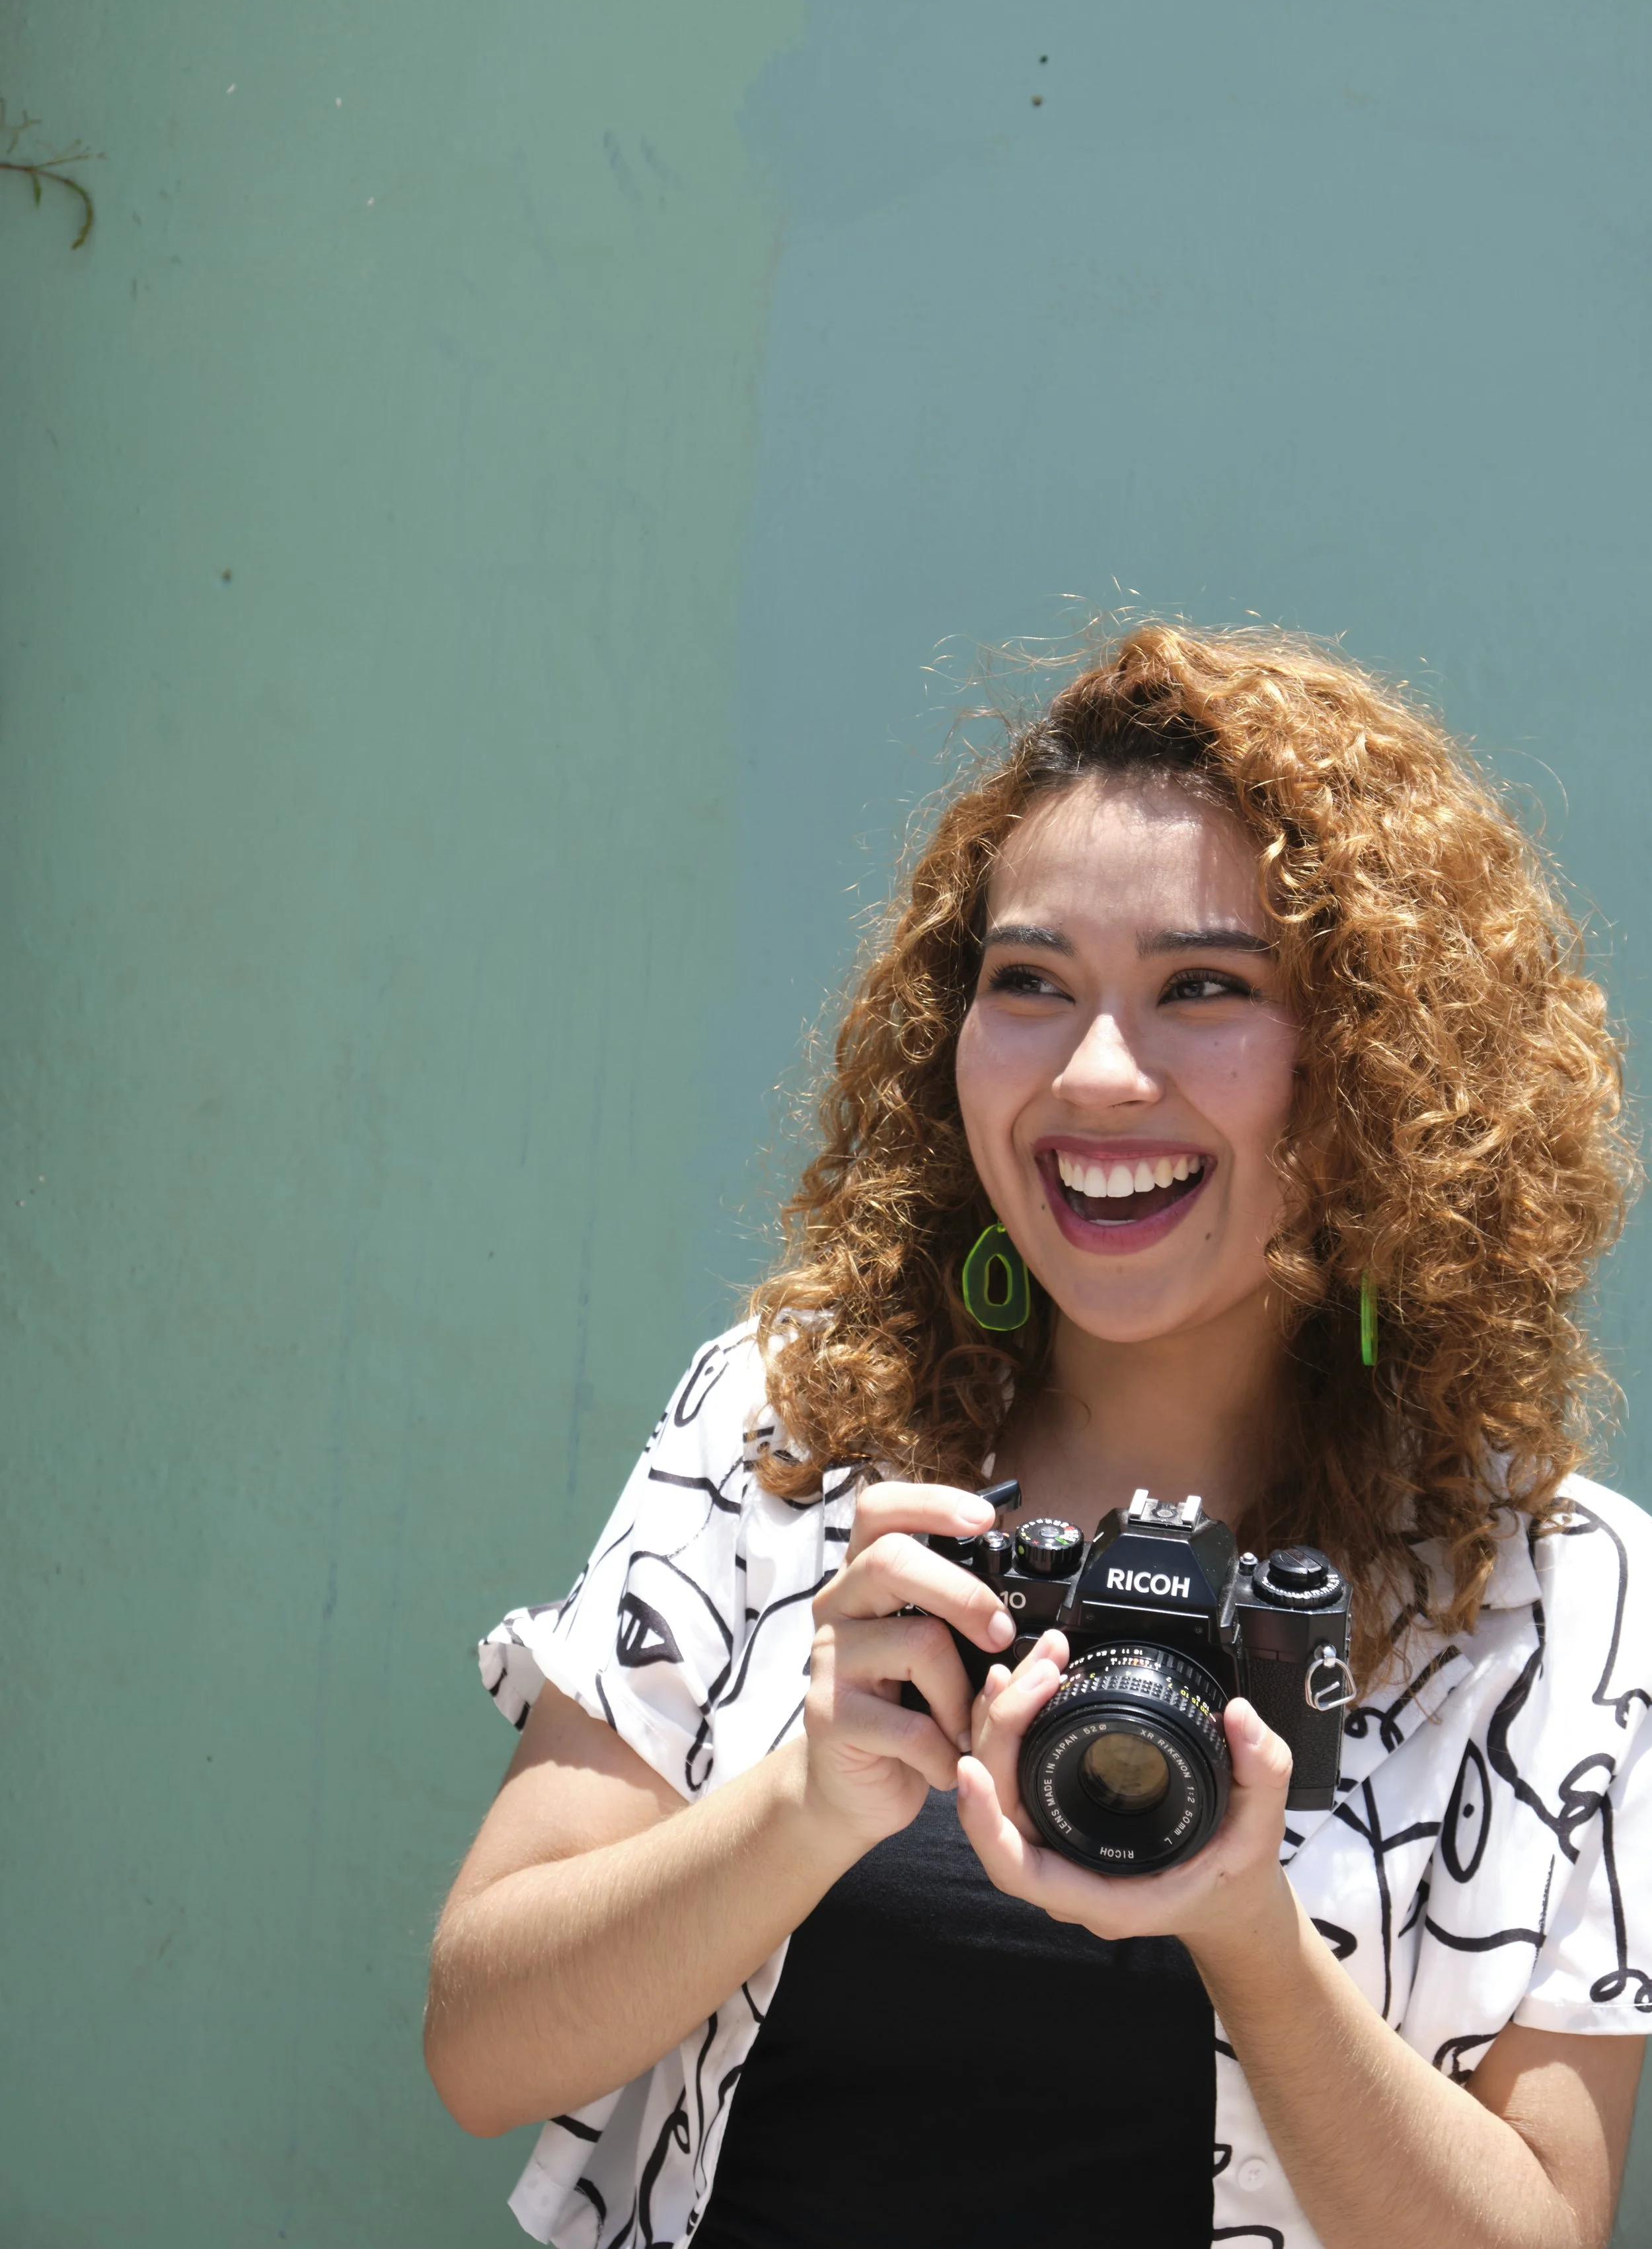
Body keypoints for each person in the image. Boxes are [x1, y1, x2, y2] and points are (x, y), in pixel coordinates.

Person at [425, 625, 1651, 2249]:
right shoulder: (785, 1429)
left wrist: (1250, 1938)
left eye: (1200, 988)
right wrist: (805, 1803)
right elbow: (480, 2047)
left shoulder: (1561, 1600)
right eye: (1028, 983)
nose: (1094, 1073)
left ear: (1374, 1070)